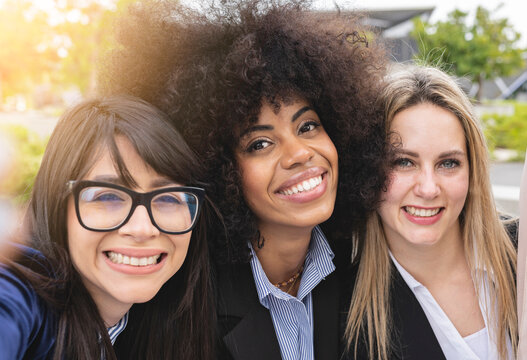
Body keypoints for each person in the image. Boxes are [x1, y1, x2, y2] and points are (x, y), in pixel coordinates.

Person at [102, 0, 388, 358]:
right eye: (260, 143)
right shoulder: (179, 304)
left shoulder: (363, 270)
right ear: (220, 171)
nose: (299, 152)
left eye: (308, 125)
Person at [0, 95, 214, 359]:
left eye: (168, 198)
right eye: (108, 197)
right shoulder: (21, 293)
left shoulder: (157, 326)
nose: (143, 228)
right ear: (58, 205)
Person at [344, 65, 518, 360]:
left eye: (448, 163)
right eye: (403, 162)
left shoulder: (520, 250)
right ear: (369, 169)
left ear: (472, 170)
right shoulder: (343, 308)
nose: (428, 188)